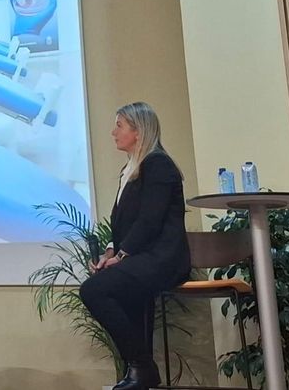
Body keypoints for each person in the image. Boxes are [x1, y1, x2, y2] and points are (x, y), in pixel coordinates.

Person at [80, 102, 191, 390]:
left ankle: (142, 366)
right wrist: (109, 253)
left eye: (119, 126)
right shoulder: (130, 169)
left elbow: (149, 221)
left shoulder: (158, 165)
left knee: (93, 290)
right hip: (140, 258)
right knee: (114, 291)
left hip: (162, 259)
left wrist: (121, 255)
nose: (113, 132)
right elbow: (122, 222)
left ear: (138, 131)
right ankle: (138, 372)